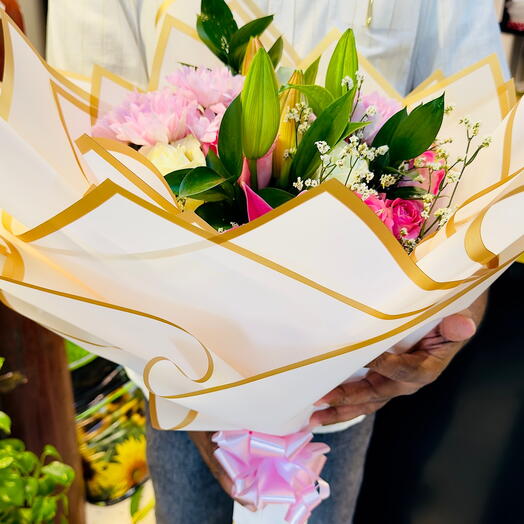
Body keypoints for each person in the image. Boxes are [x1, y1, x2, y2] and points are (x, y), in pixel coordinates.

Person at [44, 1, 508, 522]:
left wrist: (450, 320)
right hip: (175, 376)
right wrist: (175, 375)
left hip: (344, 397)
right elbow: (83, 160)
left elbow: (476, 154)